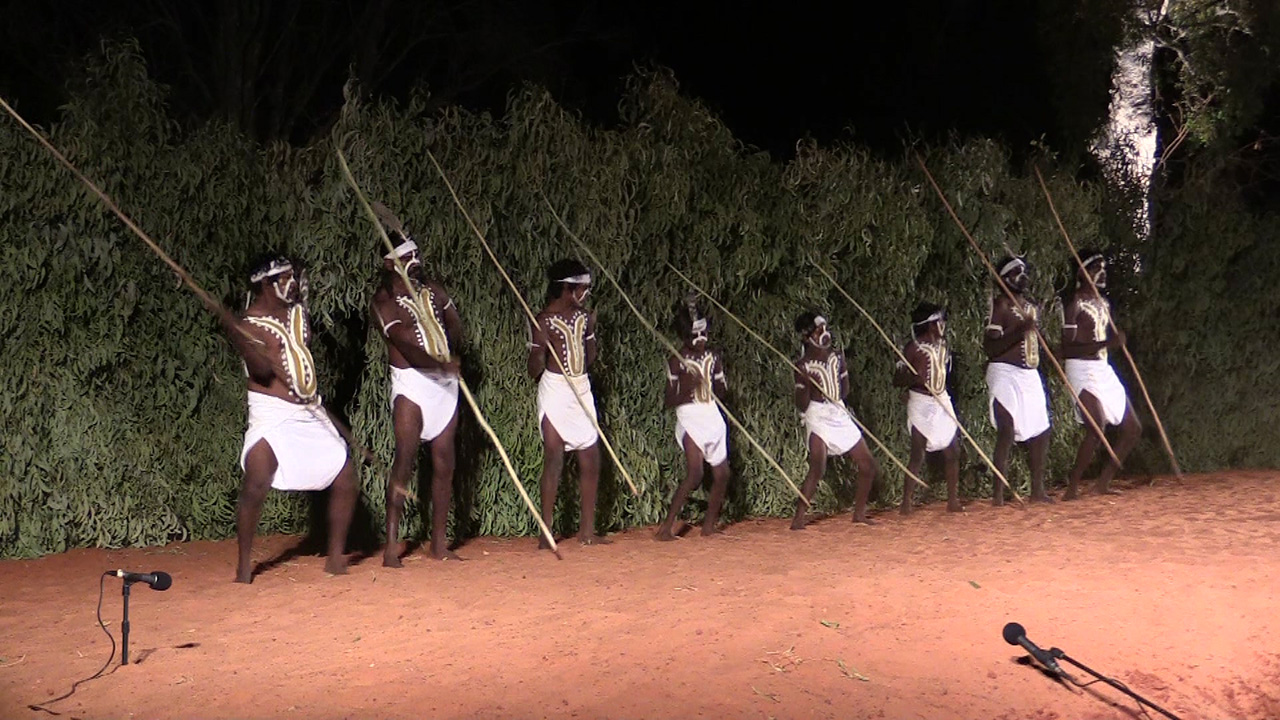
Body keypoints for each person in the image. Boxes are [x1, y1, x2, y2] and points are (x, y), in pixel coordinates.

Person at [222, 254, 357, 583]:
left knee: (346, 477)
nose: (293, 283)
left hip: (309, 409)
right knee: (256, 483)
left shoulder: (297, 313)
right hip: (272, 412)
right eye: (285, 278)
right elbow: (262, 371)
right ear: (266, 285)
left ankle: (336, 558)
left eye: (293, 276)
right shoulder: (249, 324)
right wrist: (243, 340)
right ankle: (243, 565)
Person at [371, 230, 464, 565]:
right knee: (405, 460)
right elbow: (406, 347)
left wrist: (449, 347)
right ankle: (391, 548)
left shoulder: (434, 291)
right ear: (390, 263)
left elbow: (453, 323)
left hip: (444, 386)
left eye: (416, 255)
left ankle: (438, 545)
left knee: (444, 463)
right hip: (412, 387)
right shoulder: (383, 303)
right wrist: (439, 363)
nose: (415, 261)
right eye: (407, 257)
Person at [527, 259, 609, 545]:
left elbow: (592, 357)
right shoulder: (543, 319)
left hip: (581, 387)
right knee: (554, 458)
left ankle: (587, 532)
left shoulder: (585, 317)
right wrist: (539, 348)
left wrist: (593, 331)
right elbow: (533, 368)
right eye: (583, 288)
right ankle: (545, 533)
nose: (586, 293)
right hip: (556, 390)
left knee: (591, 458)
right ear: (569, 288)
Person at [1061, 250, 1142, 499]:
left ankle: (1103, 483)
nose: (1102, 272)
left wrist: (1111, 344)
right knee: (1096, 427)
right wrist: (1107, 344)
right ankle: (1072, 488)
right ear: (1082, 273)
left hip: (1103, 368)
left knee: (1133, 428)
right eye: (1095, 267)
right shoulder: (1072, 303)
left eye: (1103, 267)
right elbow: (1065, 348)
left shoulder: (1104, 303)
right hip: (1080, 369)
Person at [792, 312, 878, 528]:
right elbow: (801, 403)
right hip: (817, 414)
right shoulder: (802, 365)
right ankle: (798, 518)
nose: (824, 333)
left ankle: (859, 514)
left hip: (838, 411)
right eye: (818, 330)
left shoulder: (837, 356)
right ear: (806, 336)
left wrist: (843, 376)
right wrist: (807, 384)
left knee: (867, 465)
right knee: (817, 467)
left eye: (824, 328)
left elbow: (845, 389)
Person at [656, 296, 730, 540]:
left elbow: (722, 391)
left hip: (712, 416)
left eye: (704, 333)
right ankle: (666, 527)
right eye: (695, 335)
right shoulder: (676, 360)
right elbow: (668, 400)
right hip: (690, 418)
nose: (701, 340)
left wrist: (714, 388)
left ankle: (708, 526)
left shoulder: (714, 357)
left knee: (722, 474)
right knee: (695, 474)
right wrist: (686, 390)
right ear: (685, 336)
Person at [983, 255, 1053, 505]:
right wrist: (1020, 331)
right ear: (1004, 279)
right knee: (1007, 430)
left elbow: (1037, 342)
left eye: (1024, 272)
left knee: (1042, 430)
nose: (1022, 278)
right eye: (1016, 273)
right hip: (1004, 372)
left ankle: (1037, 491)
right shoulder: (1000, 305)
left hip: (1029, 375)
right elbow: (990, 348)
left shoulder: (1032, 309)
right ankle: (998, 496)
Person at [893, 303, 961, 514]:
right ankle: (906, 503)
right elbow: (897, 379)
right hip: (921, 403)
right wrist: (914, 377)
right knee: (917, 454)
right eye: (939, 321)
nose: (943, 325)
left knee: (953, 451)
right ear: (930, 325)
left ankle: (953, 500)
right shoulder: (912, 348)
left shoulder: (944, 345)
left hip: (942, 400)